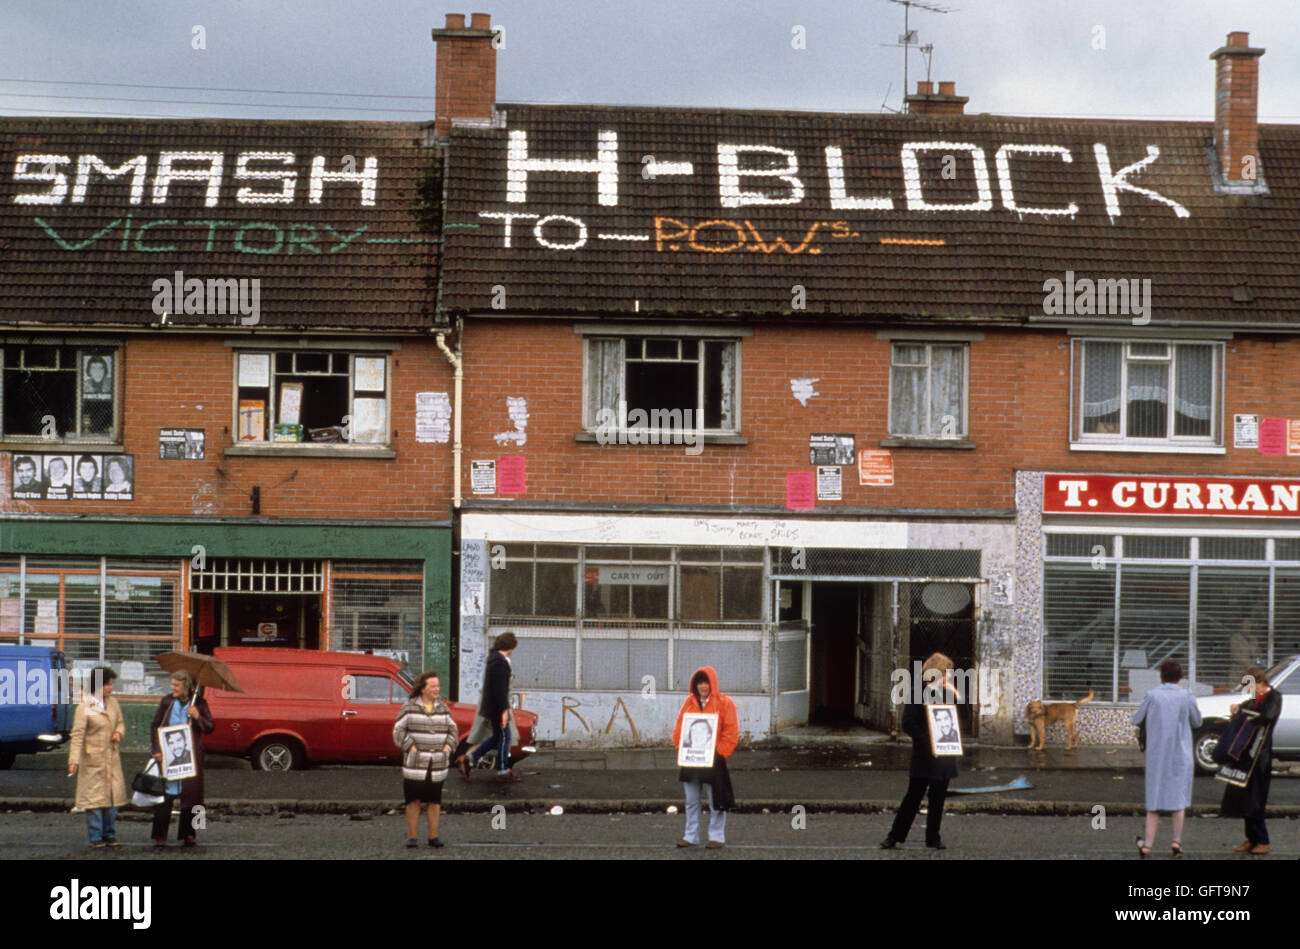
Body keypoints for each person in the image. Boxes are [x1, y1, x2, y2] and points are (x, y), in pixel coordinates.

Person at [881, 652, 961, 851]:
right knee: (913, 798)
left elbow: (959, 719)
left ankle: (933, 838)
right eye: (946, 673)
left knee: (938, 799)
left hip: (944, 756)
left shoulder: (949, 692)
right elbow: (908, 723)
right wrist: (928, 742)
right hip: (924, 756)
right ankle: (894, 836)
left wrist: (957, 695)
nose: (949, 677)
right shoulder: (918, 692)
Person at [1131, 659, 1202, 857]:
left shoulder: (1152, 695)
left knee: (1154, 800)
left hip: (1157, 755)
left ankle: (1147, 845)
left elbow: (1137, 719)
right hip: (1181, 754)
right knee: (1178, 800)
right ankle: (1176, 842)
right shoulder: (1187, 696)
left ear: (1161, 677)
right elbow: (1197, 722)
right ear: (1180, 677)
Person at [672, 666, 739, 850]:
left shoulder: (725, 703)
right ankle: (690, 836)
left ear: (713, 683)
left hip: (714, 761)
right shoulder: (689, 703)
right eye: (700, 682)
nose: (703, 686)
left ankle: (717, 837)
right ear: (695, 684)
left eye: (706, 682)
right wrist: (682, 747)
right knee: (691, 800)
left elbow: (731, 732)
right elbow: (679, 729)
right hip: (692, 760)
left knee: (715, 800)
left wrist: (719, 752)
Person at [1220, 666, 1283, 855]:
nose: (1250, 691)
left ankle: (1263, 840)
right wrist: (1238, 709)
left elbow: (1268, 716)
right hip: (1248, 754)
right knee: (1245, 797)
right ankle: (1251, 838)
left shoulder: (1274, 697)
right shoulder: (1256, 699)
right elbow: (1247, 706)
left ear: (1261, 684)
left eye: (1252, 687)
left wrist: (1247, 715)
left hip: (1260, 755)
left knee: (1256, 798)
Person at [393, 672, 459, 848]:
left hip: (437, 764)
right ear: (423, 688)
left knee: (434, 801)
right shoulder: (409, 707)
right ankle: (412, 837)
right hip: (416, 764)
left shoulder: (443, 708)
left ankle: (433, 837)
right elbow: (398, 731)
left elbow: (453, 732)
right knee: (413, 800)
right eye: (433, 686)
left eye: (438, 686)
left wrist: (447, 748)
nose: (437, 689)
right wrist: (411, 747)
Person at [149, 671, 213, 850]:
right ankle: (159, 836)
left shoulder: (200, 703)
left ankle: (191, 833)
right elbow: (155, 726)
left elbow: (210, 727)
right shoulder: (167, 702)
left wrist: (198, 716)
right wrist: (156, 750)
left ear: (186, 686)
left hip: (192, 757)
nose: (173, 688)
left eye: (176, 685)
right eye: (172, 684)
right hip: (168, 757)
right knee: (165, 796)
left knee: (194, 797)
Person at [67, 666, 127, 848]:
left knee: (112, 799)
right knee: (93, 800)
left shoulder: (113, 703)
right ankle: (96, 837)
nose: (111, 688)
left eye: (111, 684)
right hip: (93, 759)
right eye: (108, 684)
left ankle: (109, 834)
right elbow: (77, 734)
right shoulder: (86, 707)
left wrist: (118, 733)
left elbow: (121, 723)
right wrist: (74, 761)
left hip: (112, 758)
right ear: (98, 685)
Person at [456, 631, 520, 783]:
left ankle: (469, 758)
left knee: (498, 737)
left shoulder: (493, 660)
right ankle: (502, 770)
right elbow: (500, 690)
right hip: (497, 707)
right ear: (510, 647)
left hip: (492, 706)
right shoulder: (499, 663)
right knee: (505, 737)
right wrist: (504, 711)